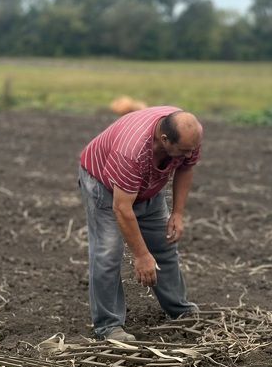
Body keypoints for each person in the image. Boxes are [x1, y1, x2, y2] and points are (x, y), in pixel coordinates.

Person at [78, 106, 203, 341]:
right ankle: (108, 326)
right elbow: (123, 208)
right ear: (164, 140)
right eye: (184, 151)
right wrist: (142, 256)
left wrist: (177, 213)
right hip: (103, 185)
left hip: (148, 184)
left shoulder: (189, 136)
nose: (189, 155)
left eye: (191, 150)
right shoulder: (131, 152)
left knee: (164, 244)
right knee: (108, 253)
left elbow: (186, 168)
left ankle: (179, 310)